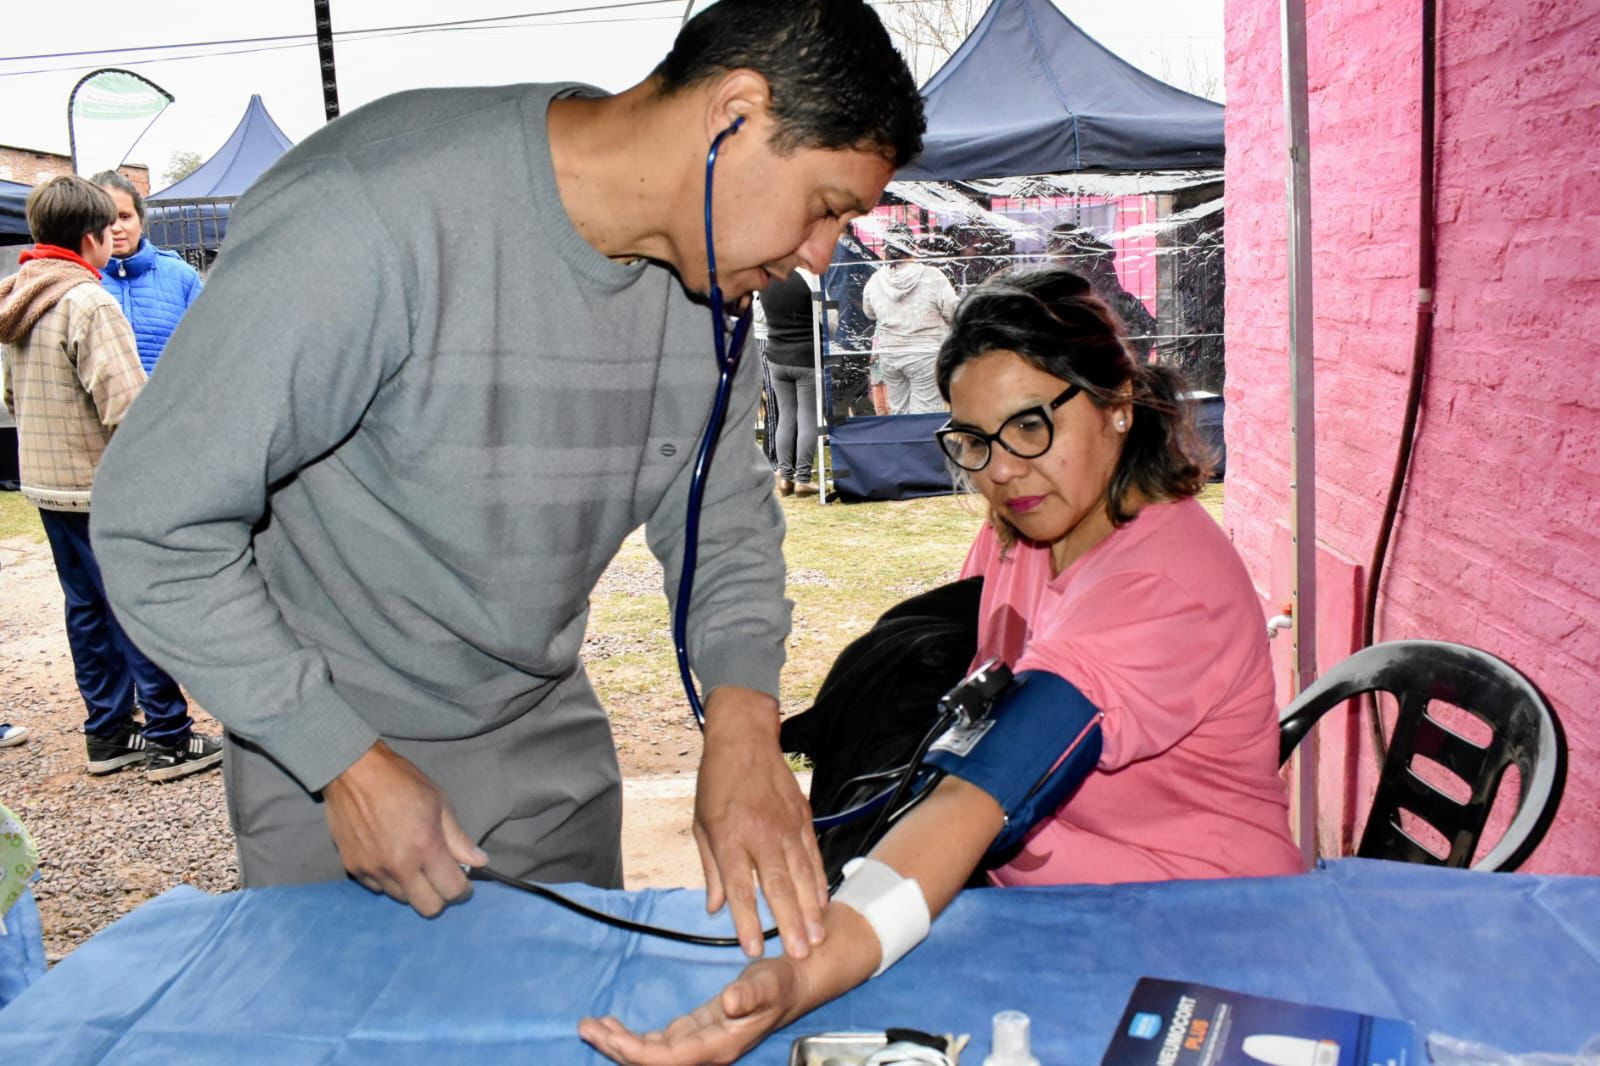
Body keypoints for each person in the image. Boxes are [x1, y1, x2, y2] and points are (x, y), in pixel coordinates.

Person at [90, 0, 924, 961]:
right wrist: (339, 759)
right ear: (734, 112)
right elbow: (157, 522)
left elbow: (724, 524)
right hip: (334, 751)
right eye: (826, 208)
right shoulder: (369, 214)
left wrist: (743, 717)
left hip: (543, 746)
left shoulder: (713, 297)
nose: (819, 258)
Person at [579, 267, 1299, 1065]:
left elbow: (989, 783)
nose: (1001, 471)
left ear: (1117, 404)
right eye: (975, 442)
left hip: (1203, 948)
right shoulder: (1027, 527)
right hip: (1053, 924)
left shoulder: (1162, 587)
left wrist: (802, 976)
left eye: (1030, 426)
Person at [0, 176, 222, 782]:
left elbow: (13, 397)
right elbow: (129, 409)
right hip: (102, 486)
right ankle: (171, 737)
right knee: (135, 605)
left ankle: (108, 732)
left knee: (88, 607)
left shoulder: (23, 294)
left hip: (47, 484)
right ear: (94, 237)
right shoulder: (87, 300)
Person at [89, 171, 204, 375]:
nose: (116, 228)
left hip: (169, 404)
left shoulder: (182, 277)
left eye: (125, 217)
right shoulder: (78, 279)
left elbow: (207, 350)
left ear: (140, 221)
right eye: (104, 219)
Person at [860, 226, 957, 414]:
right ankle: (922, 444)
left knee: (899, 412)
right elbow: (953, 311)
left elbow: (869, 312)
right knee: (926, 412)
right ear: (913, 246)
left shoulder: (875, 280)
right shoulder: (932, 276)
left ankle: (904, 442)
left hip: (890, 355)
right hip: (926, 355)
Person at [758, 267, 823, 497]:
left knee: (786, 415)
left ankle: (785, 477)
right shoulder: (809, 276)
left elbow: (762, 317)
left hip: (776, 354)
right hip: (806, 356)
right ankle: (803, 479)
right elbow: (825, 315)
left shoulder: (765, 279)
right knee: (807, 415)